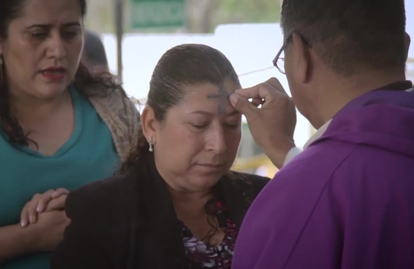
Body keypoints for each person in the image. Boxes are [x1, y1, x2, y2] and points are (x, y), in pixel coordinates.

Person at [0, 0, 139, 268]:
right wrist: (29, 237)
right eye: (38, 34)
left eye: (70, 33)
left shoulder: (115, 108)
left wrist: (88, 211)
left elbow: (164, 210)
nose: (57, 50)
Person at [229, 0, 414, 268]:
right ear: (404, 46)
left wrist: (303, 176)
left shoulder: (299, 200)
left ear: (300, 56)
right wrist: (290, 155)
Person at [50, 44, 270, 268]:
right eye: (199, 124)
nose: (219, 145)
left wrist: (283, 148)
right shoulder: (100, 214)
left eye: (232, 124)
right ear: (151, 124)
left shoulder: (264, 199)